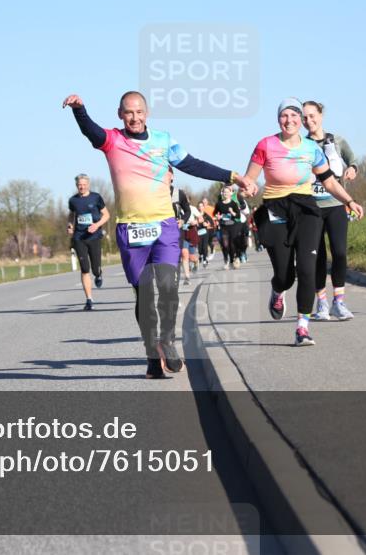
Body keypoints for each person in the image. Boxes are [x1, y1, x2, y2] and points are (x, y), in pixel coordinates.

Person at [64, 91, 257, 378]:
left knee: (168, 286)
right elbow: (90, 131)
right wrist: (79, 109)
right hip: (130, 229)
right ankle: (152, 355)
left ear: (147, 112)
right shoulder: (113, 141)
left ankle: (168, 341)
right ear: (120, 114)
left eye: (139, 111)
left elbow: (193, 164)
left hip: (164, 225)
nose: (135, 117)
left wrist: (232, 176)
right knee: (144, 296)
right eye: (129, 112)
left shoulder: (163, 141)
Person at [244, 99, 364, 347]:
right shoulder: (265, 145)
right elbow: (249, 179)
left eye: (294, 115)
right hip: (275, 208)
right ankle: (278, 290)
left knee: (308, 269)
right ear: (278, 119)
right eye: (284, 116)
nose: (289, 120)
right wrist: (246, 189)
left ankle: (302, 328)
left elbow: (330, 182)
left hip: (306, 208)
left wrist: (350, 201)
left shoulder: (311, 148)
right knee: (285, 275)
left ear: (300, 119)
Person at [301, 101, 359, 322]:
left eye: (312, 116)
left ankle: (339, 302)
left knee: (340, 253)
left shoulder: (337, 141)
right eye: (305, 117)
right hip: (311, 208)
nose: (309, 121)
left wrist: (352, 169)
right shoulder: (302, 145)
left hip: (335, 206)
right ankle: (322, 303)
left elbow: (352, 160)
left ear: (321, 115)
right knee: (317, 257)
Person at [68, 173, 110, 311]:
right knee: (85, 268)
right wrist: (70, 226)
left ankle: (98, 274)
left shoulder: (96, 197)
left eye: (84, 184)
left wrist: (97, 225)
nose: (82, 187)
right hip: (79, 238)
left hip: (94, 237)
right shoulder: (73, 201)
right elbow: (71, 215)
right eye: (79, 185)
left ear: (88, 185)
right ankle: (89, 300)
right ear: (76, 185)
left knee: (95, 268)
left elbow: (107, 215)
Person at [214, 185, 244, 270]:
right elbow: (215, 214)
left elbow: (238, 215)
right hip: (224, 226)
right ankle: (226, 260)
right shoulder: (219, 204)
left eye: (227, 192)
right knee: (225, 244)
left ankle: (232, 260)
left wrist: (232, 212)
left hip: (232, 226)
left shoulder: (233, 203)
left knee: (231, 244)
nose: (226, 193)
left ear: (230, 193)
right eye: (224, 192)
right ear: (222, 193)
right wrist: (218, 217)